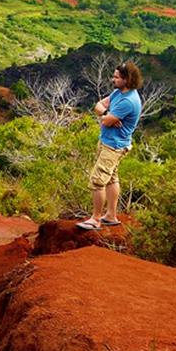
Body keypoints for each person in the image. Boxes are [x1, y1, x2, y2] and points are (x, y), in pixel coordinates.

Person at [78, 61, 143, 230]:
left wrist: (106, 116)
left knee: (97, 181)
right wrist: (107, 114)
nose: (112, 79)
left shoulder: (128, 101)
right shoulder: (118, 93)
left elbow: (105, 121)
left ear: (126, 79)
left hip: (114, 146)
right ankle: (111, 215)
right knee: (112, 178)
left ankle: (95, 219)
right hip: (109, 142)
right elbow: (99, 106)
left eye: (116, 77)